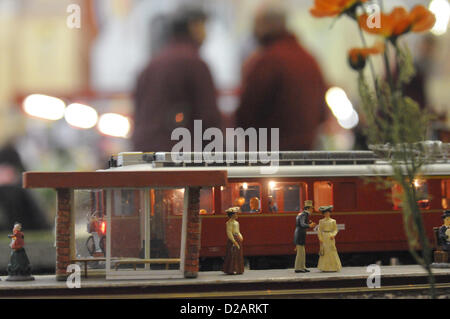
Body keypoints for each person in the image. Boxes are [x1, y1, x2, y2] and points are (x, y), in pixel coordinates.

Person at [236, 3, 328, 151]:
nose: (253, 31)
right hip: (306, 153)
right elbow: (322, 113)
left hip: (272, 156)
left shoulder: (267, 61)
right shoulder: (308, 58)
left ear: (267, 25)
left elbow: (248, 113)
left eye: (256, 24)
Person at [132, 6, 222, 152]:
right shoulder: (195, 64)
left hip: (145, 153)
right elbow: (208, 118)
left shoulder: (151, 64)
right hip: (181, 155)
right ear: (194, 26)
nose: (206, 33)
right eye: (204, 26)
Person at [317, 205, 342, 272]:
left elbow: (335, 229)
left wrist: (333, 235)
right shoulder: (321, 221)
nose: (327, 214)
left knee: (332, 250)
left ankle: (334, 267)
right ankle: (324, 267)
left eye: (328, 213)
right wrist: (320, 238)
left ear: (330, 213)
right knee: (325, 251)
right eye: (325, 213)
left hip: (330, 237)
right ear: (323, 214)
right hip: (324, 236)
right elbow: (319, 230)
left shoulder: (333, 221)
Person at [294, 200, 316, 273]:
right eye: (312, 208)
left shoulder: (302, 214)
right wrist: (309, 225)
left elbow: (303, 222)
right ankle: (298, 268)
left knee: (302, 252)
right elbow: (302, 224)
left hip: (300, 235)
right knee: (300, 253)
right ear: (308, 208)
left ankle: (302, 267)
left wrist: (309, 222)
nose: (312, 210)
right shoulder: (304, 215)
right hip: (300, 235)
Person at [223, 207, 244, 275]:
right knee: (232, 254)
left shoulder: (236, 223)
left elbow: (238, 231)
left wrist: (240, 236)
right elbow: (229, 232)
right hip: (233, 239)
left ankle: (238, 269)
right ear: (232, 215)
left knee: (238, 254)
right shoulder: (229, 223)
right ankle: (231, 269)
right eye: (235, 214)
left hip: (237, 238)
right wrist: (234, 241)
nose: (237, 215)